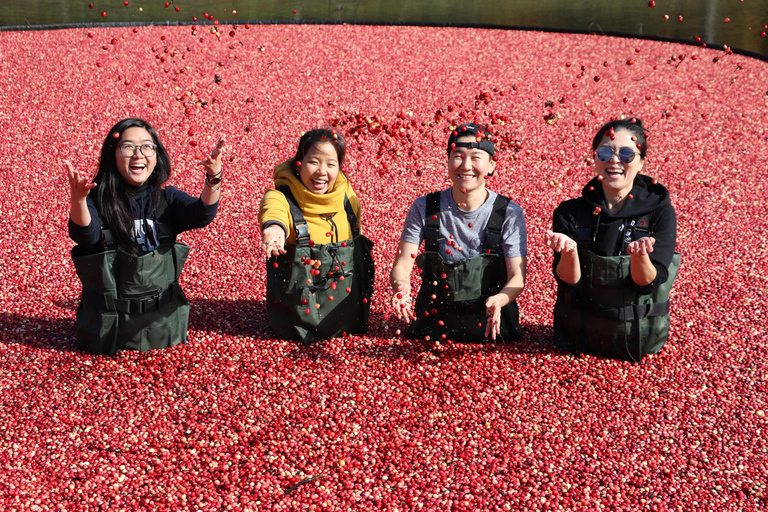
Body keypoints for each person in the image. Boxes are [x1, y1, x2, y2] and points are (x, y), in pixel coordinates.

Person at [66, 117, 224, 355]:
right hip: (108, 329)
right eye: (128, 146)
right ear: (113, 153)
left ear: (157, 154)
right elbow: (86, 236)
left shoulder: (166, 199)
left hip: (162, 326)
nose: (138, 154)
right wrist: (78, 200)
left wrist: (214, 177)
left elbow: (202, 214)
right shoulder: (97, 200)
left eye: (147, 146)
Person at [545, 117, 679, 361]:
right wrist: (568, 252)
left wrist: (640, 258)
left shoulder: (659, 213)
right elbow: (569, 282)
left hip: (637, 340)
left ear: (641, 164)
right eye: (606, 151)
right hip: (577, 338)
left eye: (627, 154)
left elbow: (648, 285)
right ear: (595, 157)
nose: (615, 160)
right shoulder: (570, 212)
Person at [390, 123, 527, 343]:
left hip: (492, 328)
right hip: (433, 327)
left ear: (491, 165)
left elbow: (517, 278)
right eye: (458, 156)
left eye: (475, 157)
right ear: (447, 162)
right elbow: (403, 263)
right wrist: (401, 287)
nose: (465, 165)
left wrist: (500, 300)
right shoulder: (425, 207)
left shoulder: (508, 212)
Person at [259, 129, 374, 344]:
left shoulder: (347, 197)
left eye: (331, 164)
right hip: (296, 329)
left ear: (339, 168)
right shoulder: (281, 196)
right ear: (298, 163)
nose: (322, 171)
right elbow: (273, 211)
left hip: (349, 323)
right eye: (313, 162)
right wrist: (274, 229)